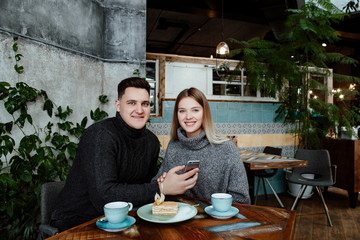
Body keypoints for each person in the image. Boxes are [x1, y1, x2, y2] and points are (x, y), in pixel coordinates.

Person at [50, 77, 198, 232]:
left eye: (145, 104)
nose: (139, 110)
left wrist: (164, 183)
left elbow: (143, 190)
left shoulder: (151, 142)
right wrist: (161, 187)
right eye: (131, 103)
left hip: (125, 220)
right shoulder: (101, 135)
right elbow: (104, 197)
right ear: (118, 105)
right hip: (78, 222)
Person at [156, 87, 250, 204]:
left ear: (205, 113)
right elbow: (157, 186)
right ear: (177, 115)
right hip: (177, 218)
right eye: (182, 111)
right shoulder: (174, 145)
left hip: (215, 220)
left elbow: (242, 200)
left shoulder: (227, 148)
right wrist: (162, 183)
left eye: (195, 110)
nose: (188, 116)